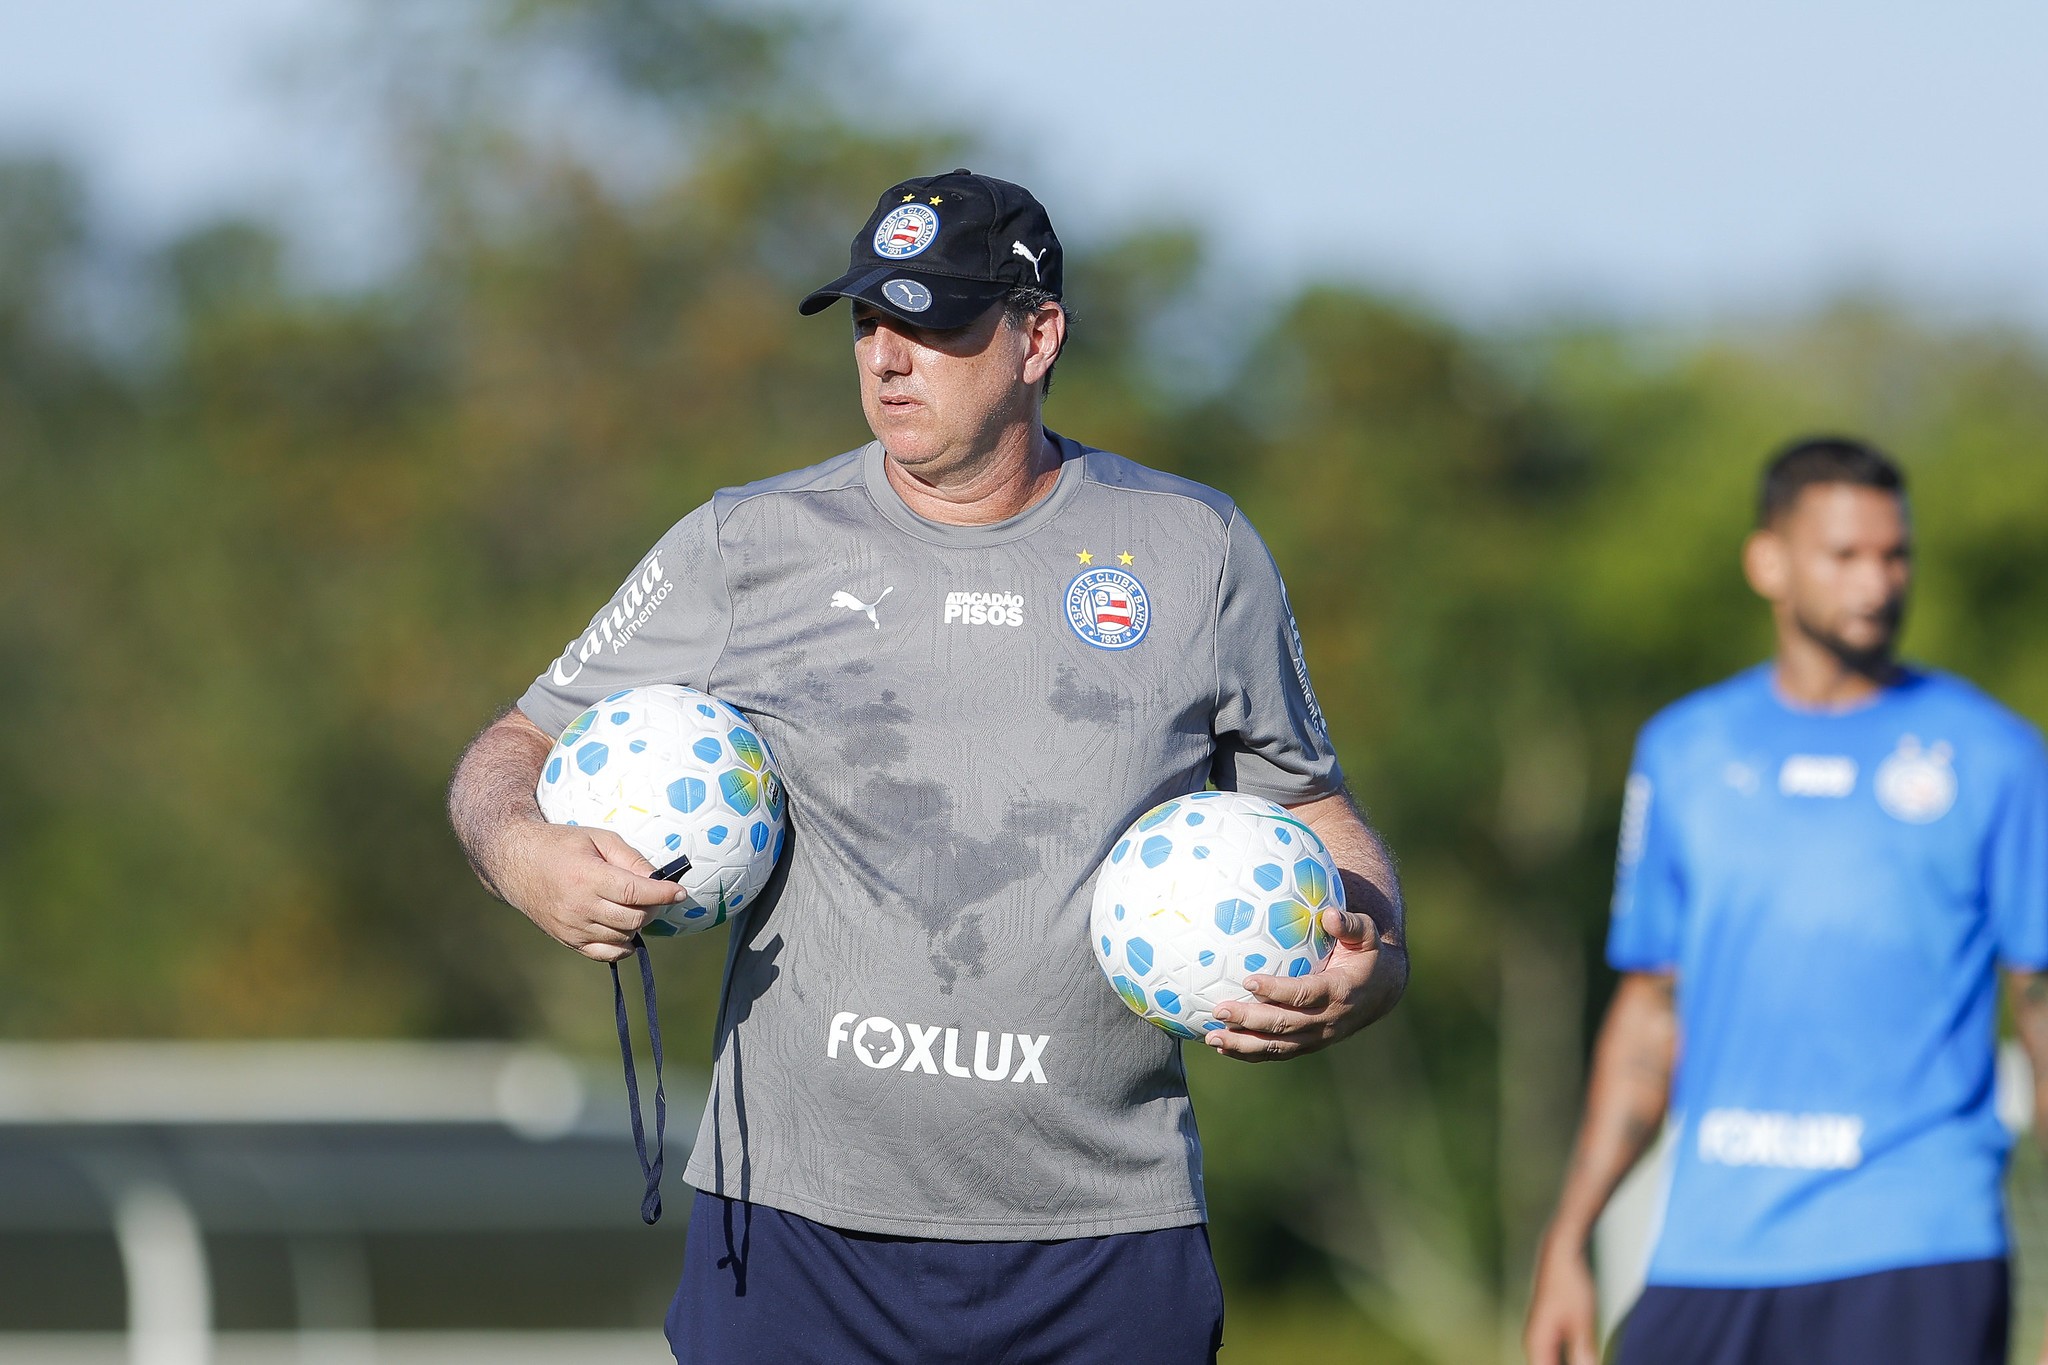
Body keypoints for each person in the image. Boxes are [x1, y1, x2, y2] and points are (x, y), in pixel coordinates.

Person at [448, 169, 1407, 1364]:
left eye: (934, 323)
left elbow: (1308, 803)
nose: (889, 359)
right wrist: (519, 848)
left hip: (1101, 1245)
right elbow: (510, 748)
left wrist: (1374, 954)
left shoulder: (1193, 549)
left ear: (1036, 335)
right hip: (793, 1237)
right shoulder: (748, 543)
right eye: (868, 324)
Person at [1523, 437, 2048, 1365]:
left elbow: (2041, 1008)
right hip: (1713, 1243)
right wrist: (1569, 1239)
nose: (1878, 583)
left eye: (1896, 555)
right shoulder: (1683, 752)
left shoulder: (1996, 755)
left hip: (1920, 1238)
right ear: (1768, 561)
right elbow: (1649, 1014)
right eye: (1845, 555)